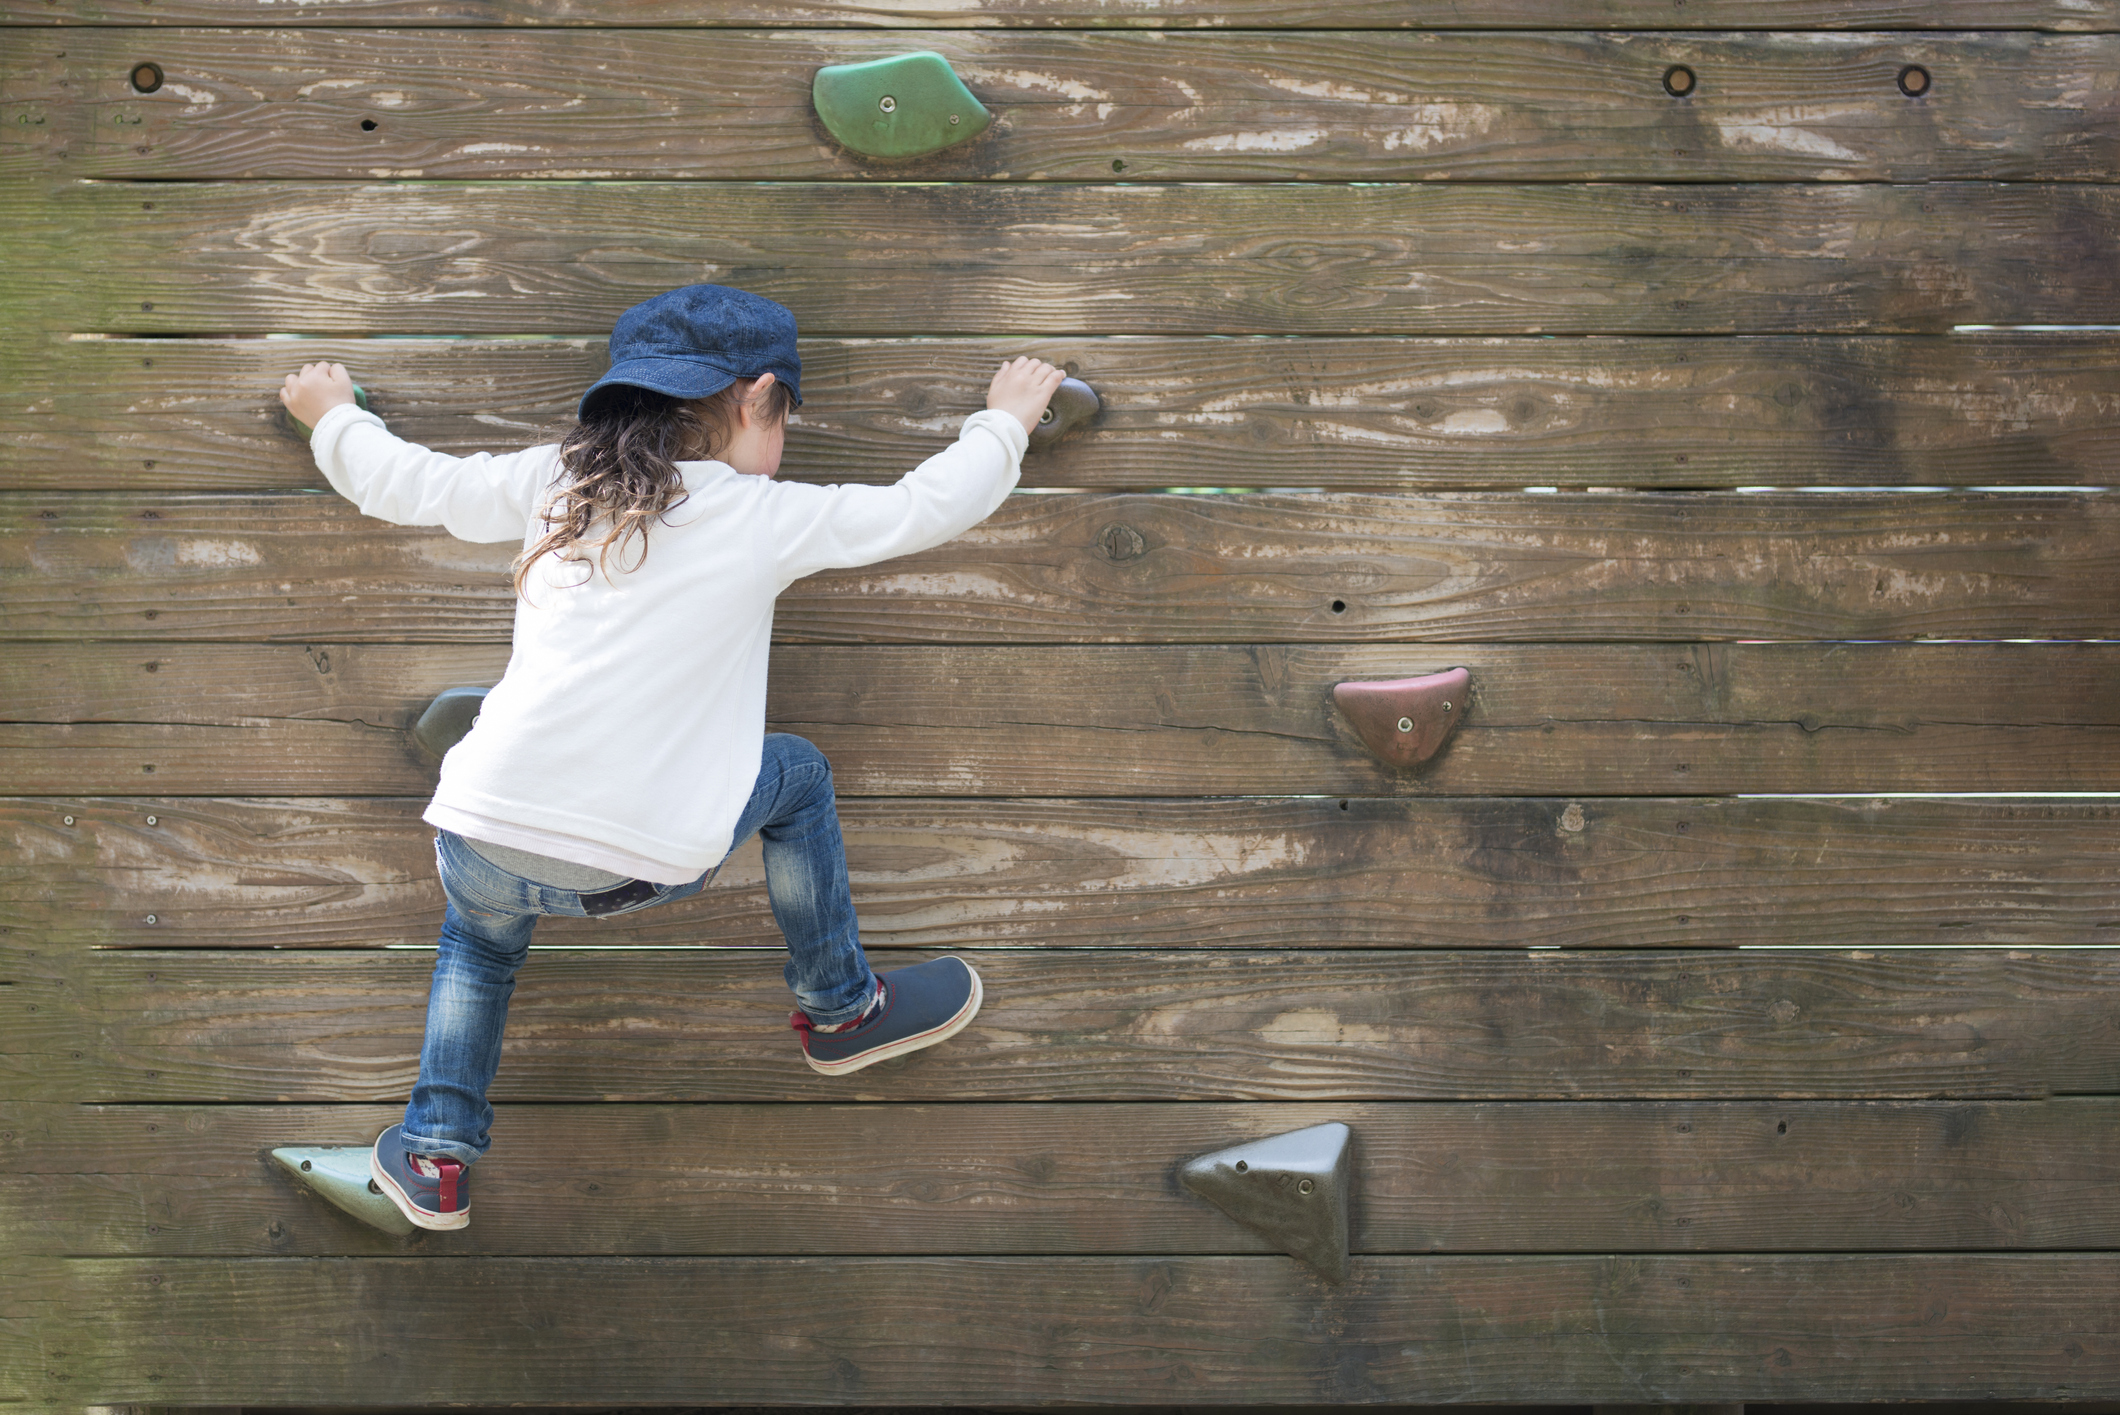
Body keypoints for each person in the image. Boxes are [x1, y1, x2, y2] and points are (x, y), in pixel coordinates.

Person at [277, 284, 1064, 1232]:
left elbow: (411, 483)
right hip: (642, 857)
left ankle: (438, 1155)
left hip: (485, 831)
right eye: (787, 422)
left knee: (477, 945)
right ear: (757, 397)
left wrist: (332, 417)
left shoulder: (557, 480)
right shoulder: (760, 514)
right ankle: (843, 1008)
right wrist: (1005, 419)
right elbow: (919, 508)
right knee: (798, 774)